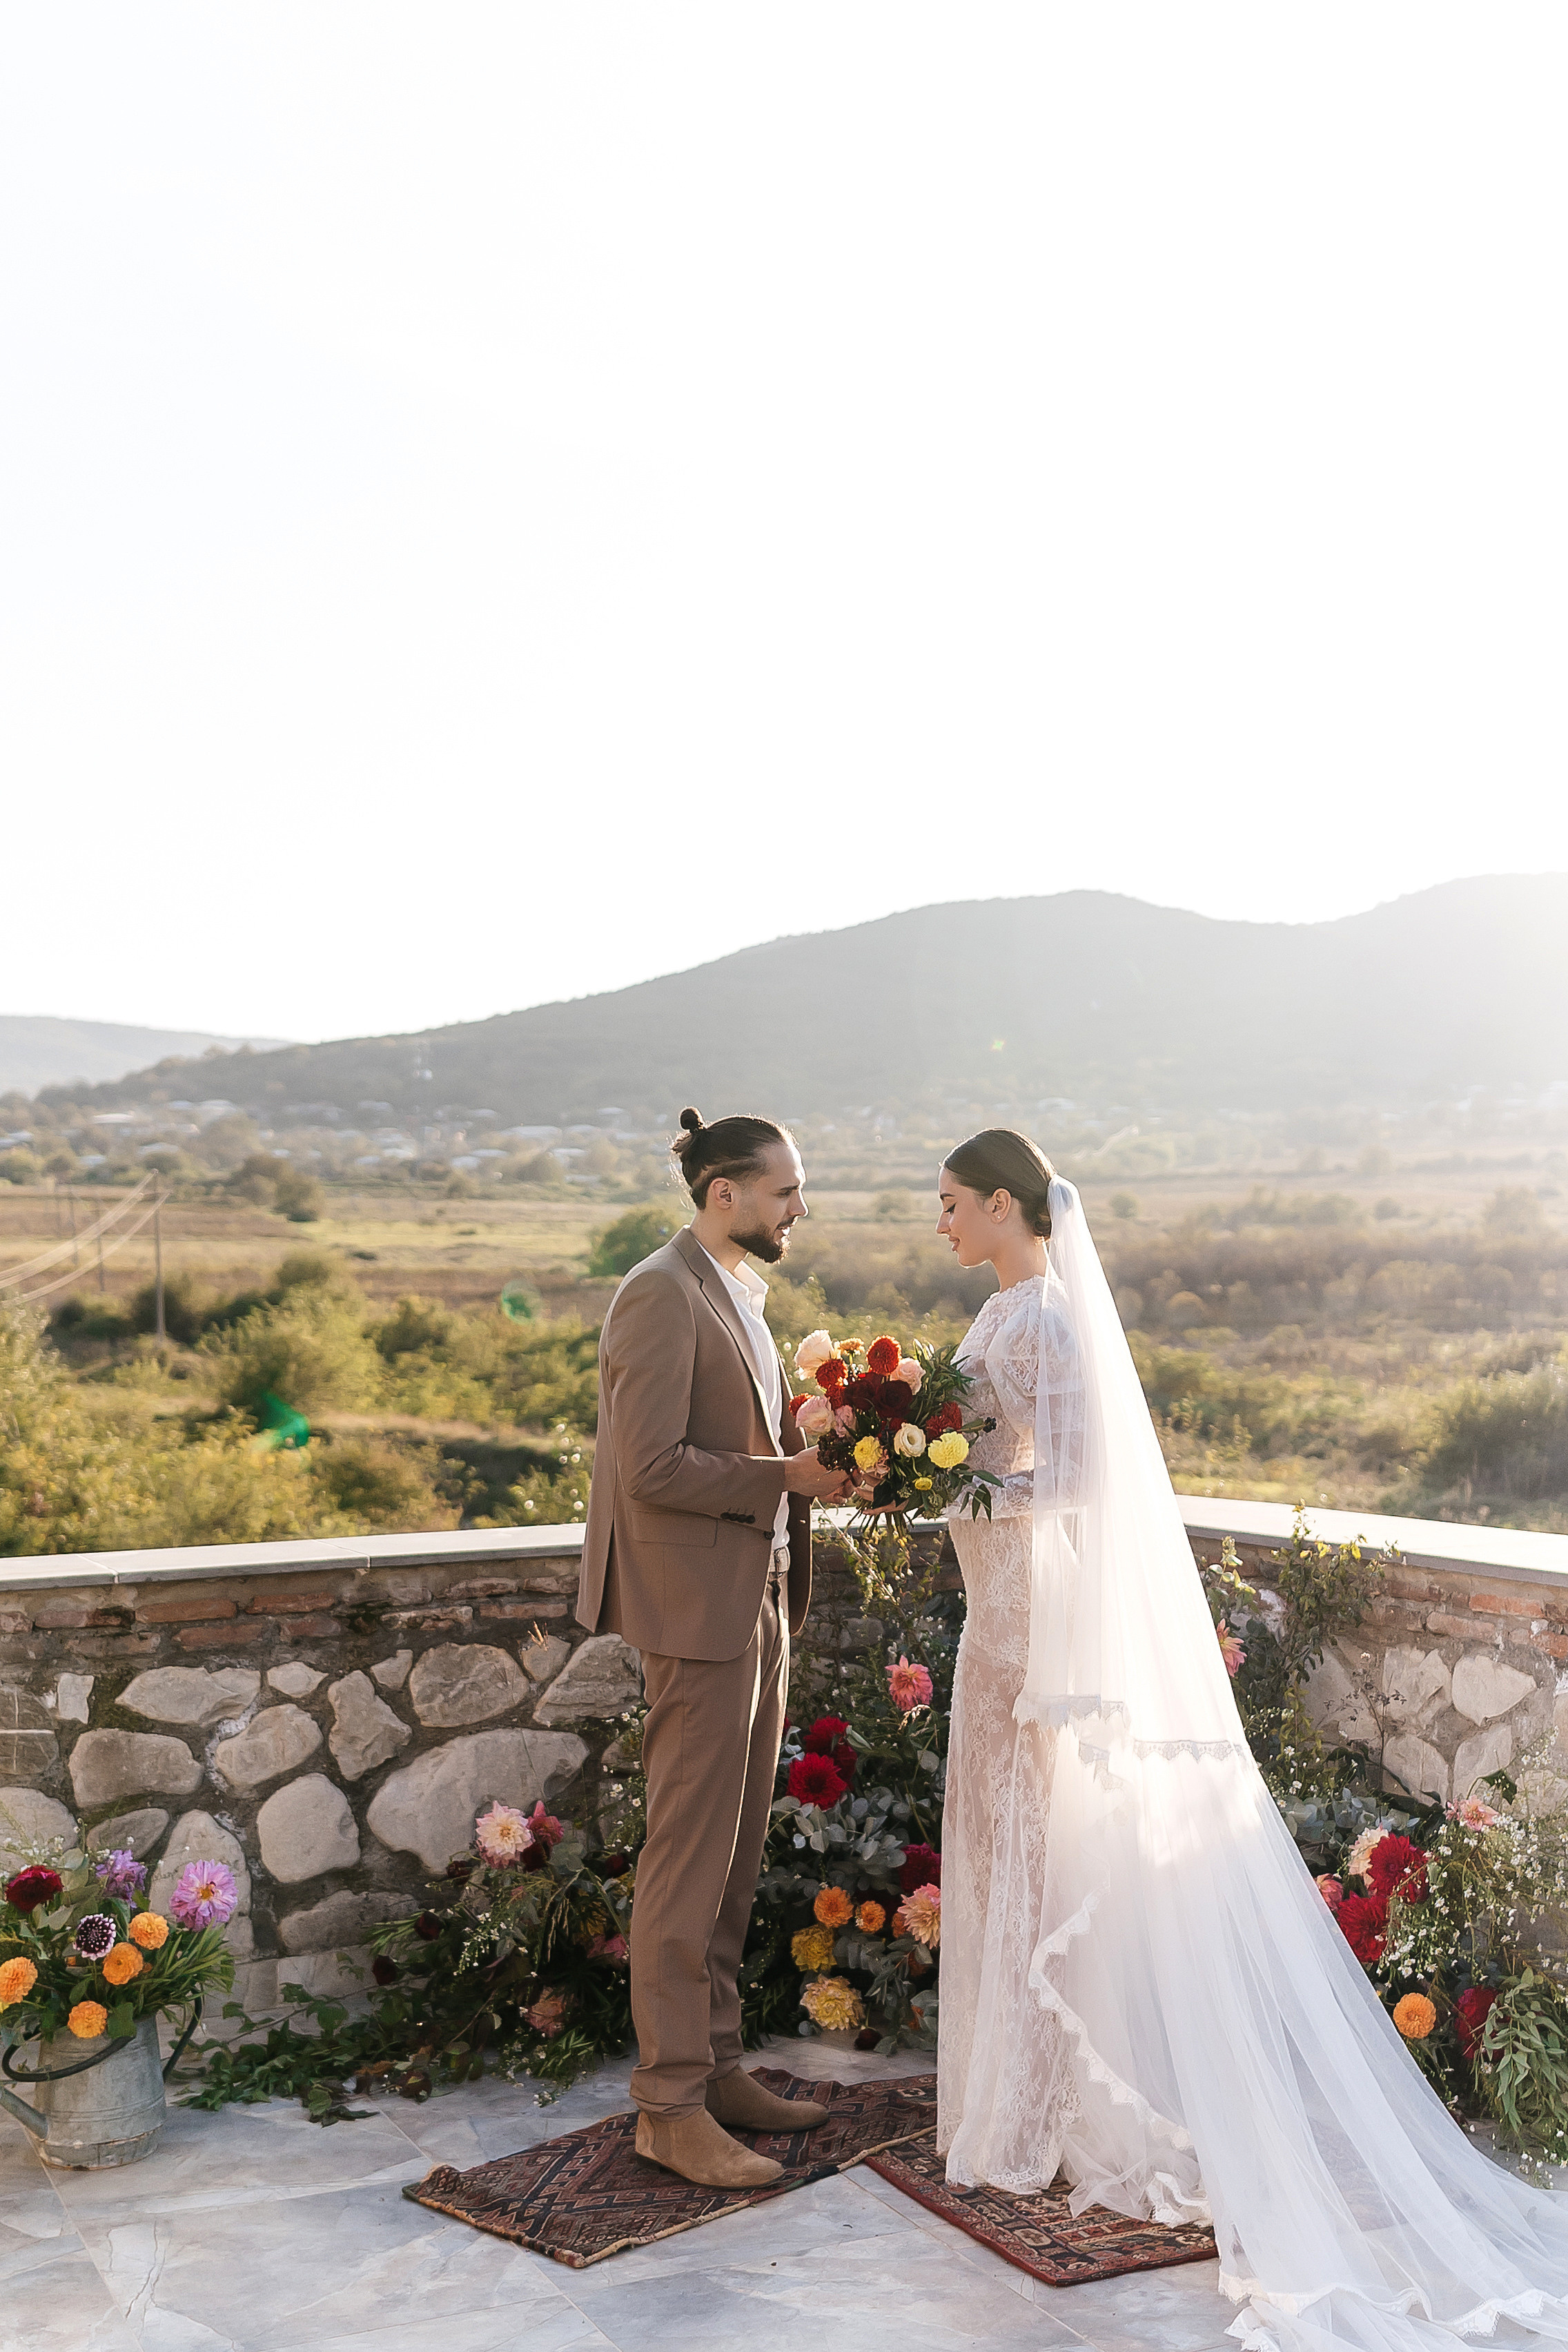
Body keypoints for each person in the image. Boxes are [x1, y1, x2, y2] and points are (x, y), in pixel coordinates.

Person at [934, 1126, 1568, 2352]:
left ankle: (1039, 2109)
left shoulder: (1050, 1322)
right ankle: (1006, 2098)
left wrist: (951, 1480)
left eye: (953, 1202)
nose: (941, 1222)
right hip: (989, 1616)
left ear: (1008, 1204)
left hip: (1029, 1620)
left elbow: (1072, 1480)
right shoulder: (994, 1315)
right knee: (996, 1841)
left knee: (1030, 1846)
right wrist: (930, 1464)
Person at [578, 1106, 850, 2188]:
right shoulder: (658, 1290)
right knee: (687, 1859)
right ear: (724, 1192)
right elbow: (648, 1466)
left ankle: (720, 2069)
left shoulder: (738, 1290)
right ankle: (666, 2106)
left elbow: (732, 1445)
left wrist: (820, 1450)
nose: (799, 1207)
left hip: (759, 1592)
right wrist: (781, 1478)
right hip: (696, 1611)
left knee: (736, 1854)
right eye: (785, 1189)